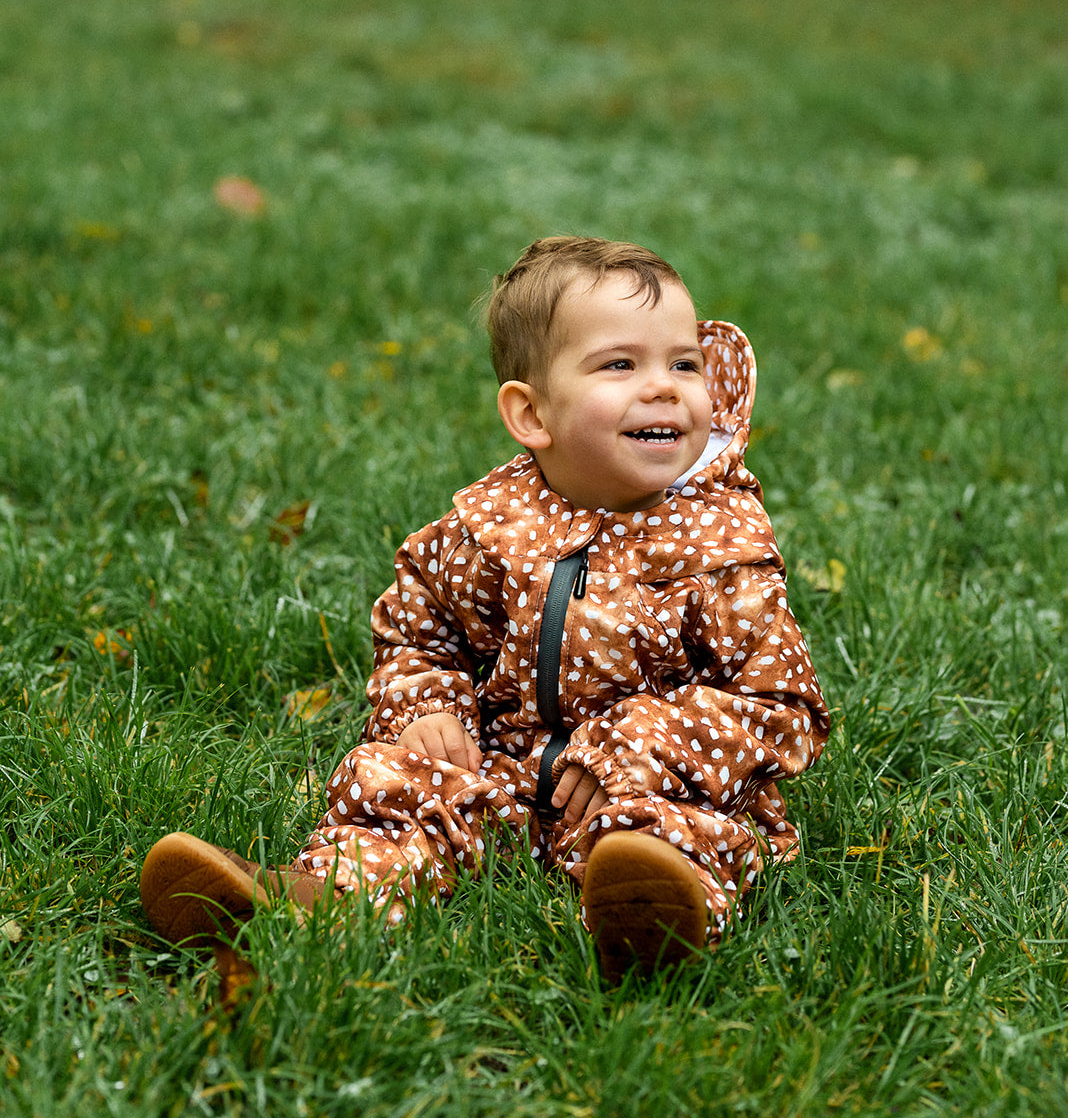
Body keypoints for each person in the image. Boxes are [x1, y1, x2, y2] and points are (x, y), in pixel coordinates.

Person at [141, 236, 829, 982]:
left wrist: (639, 746)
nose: (666, 387)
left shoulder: (722, 550)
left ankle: (647, 914)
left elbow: (780, 703)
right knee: (393, 780)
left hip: (647, 785)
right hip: (503, 771)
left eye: (685, 362)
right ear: (532, 415)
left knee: (682, 834)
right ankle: (316, 898)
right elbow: (419, 631)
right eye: (621, 364)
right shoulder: (489, 529)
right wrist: (427, 709)